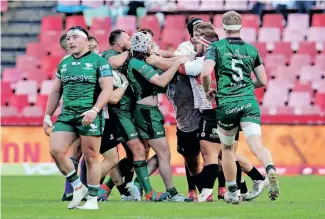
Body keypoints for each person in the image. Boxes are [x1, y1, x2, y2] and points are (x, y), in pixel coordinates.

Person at [201, 11, 279, 204]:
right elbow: (262, 80)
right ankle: (269, 168)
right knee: (257, 145)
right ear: (240, 26)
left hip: (227, 103)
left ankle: (233, 192)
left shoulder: (216, 47)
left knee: (227, 148)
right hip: (249, 102)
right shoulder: (251, 49)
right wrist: (245, 88)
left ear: (224, 27)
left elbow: (205, 73)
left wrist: (207, 91)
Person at [43, 26, 113, 210]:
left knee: (91, 157)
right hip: (67, 115)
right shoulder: (64, 63)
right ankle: (77, 186)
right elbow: (56, 90)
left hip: (88, 114)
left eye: (74, 37)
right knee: (56, 150)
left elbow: (107, 88)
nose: (70, 41)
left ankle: (92, 200)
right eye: (68, 38)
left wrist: (95, 110)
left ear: (85, 40)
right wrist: (47, 115)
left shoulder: (99, 61)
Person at [100, 29, 167, 202]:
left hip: (131, 111)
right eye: (128, 38)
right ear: (120, 43)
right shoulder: (109, 53)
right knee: (137, 150)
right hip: (118, 112)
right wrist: (133, 49)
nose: (131, 39)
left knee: (138, 152)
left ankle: (106, 188)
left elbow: (160, 54)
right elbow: (114, 63)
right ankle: (148, 193)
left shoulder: (132, 57)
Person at [128, 31, 187, 201]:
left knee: (163, 153)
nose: (151, 46)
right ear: (143, 45)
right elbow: (161, 81)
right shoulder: (137, 63)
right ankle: (173, 193)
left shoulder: (141, 61)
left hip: (150, 112)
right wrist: (177, 64)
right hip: (146, 113)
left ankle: (137, 186)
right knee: (163, 153)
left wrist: (178, 60)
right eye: (149, 43)